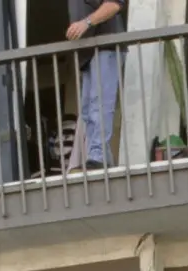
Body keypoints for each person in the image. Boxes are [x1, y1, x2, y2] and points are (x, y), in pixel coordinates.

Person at [66, 0, 127, 170]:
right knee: (87, 112)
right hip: (90, 53)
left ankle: (97, 157)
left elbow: (115, 4)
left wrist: (85, 23)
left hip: (105, 48)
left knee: (98, 105)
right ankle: (103, 161)